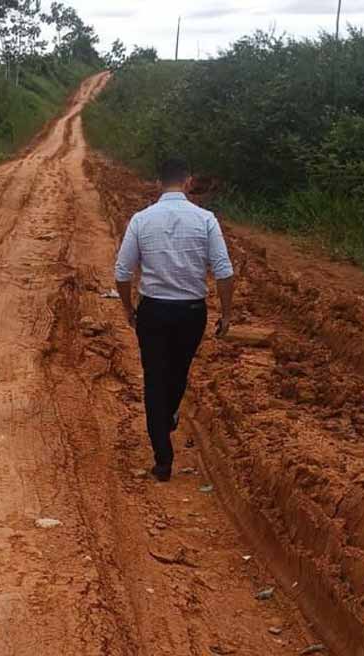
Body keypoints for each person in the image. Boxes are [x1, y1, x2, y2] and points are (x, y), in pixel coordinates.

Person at [114, 158, 235, 482]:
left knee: (155, 377)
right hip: (191, 312)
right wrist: (226, 312)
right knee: (179, 371)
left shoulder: (141, 220)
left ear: (158, 183)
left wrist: (127, 308)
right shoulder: (206, 219)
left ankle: (162, 457)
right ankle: (166, 423)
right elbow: (223, 270)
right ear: (188, 181)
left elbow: (122, 273)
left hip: (153, 310)